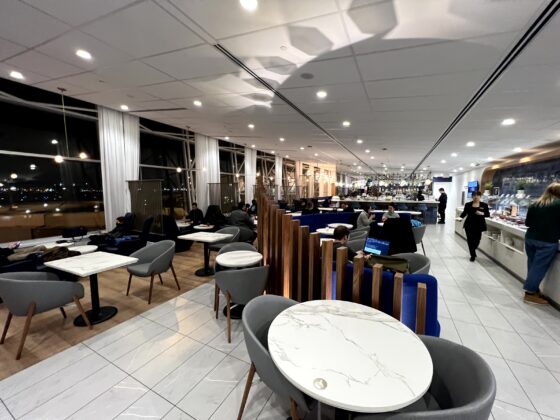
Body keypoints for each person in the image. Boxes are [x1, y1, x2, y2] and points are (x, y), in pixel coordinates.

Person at [522, 183, 560, 304]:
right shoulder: (558, 205)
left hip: (530, 239)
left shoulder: (535, 203)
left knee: (532, 266)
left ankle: (534, 290)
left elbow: (527, 223)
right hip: (547, 240)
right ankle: (529, 293)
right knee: (538, 268)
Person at [459, 191, 490, 262]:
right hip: (469, 224)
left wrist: (481, 213)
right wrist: (460, 218)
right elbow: (464, 213)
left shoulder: (484, 205)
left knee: (477, 240)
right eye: (474, 195)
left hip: (479, 225)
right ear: (472, 196)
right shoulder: (468, 204)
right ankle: (472, 255)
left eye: (477, 195)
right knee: (470, 240)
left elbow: (487, 214)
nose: (476, 197)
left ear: (480, 197)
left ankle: (473, 249)